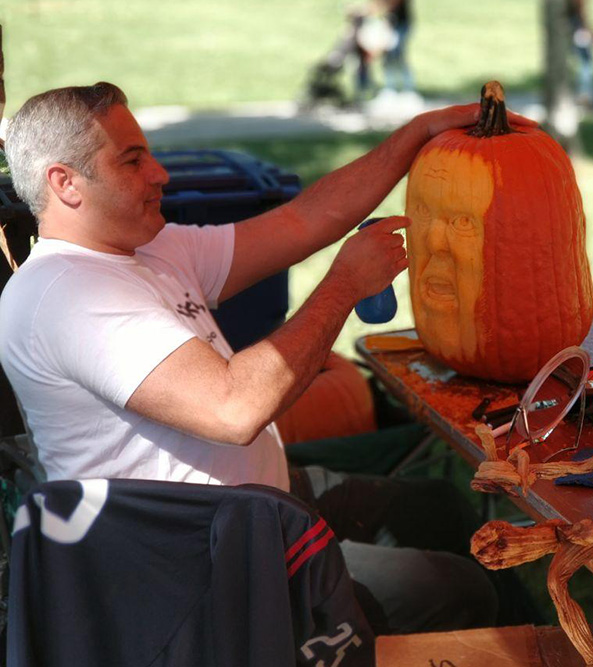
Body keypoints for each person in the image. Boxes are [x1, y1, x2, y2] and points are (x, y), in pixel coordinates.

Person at [0, 82, 536, 635]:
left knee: (440, 507)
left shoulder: (146, 250)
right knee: (455, 588)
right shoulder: (67, 295)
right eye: (132, 161)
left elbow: (307, 219)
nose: (159, 173)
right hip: (202, 568)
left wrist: (420, 131)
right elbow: (235, 409)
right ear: (65, 183)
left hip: (251, 510)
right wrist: (345, 285)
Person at [379, 0, 415, 96]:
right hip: (389, 22)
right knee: (388, 56)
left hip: (401, 23)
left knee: (396, 54)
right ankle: (390, 87)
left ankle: (408, 88)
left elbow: (394, 3)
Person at [568, 0, 593, 108]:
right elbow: (581, 9)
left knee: (583, 61)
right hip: (578, 27)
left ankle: (582, 95)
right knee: (586, 61)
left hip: (572, 25)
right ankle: (585, 97)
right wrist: (588, 29)